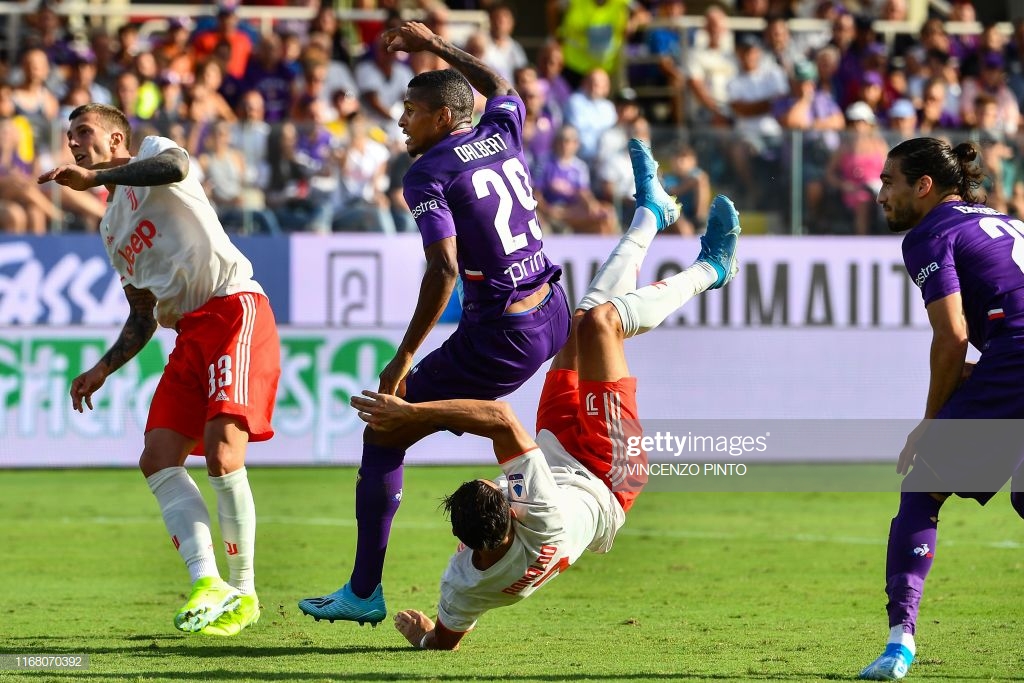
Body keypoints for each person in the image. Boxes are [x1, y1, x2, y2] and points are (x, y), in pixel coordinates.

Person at [349, 139, 741, 650]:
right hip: (609, 474)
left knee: (580, 323)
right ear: (513, 509)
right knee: (602, 324)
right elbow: (498, 416)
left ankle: (650, 213)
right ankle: (713, 269)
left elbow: (447, 638)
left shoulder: (462, 584)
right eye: (499, 487)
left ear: (464, 544)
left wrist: (425, 636)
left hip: (558, 448)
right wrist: (411, 410)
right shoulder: (538, 510)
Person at [297, 20, 585, 626]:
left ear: (444, 118)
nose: (402, 120)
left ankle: (364, 591)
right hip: (552, 309)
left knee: (384, 427)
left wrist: (402, 357)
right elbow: (504, 85)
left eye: (412, 110)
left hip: (501, 334)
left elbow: (444, 269)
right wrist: (439, 47)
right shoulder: (501, 130)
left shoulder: (428, 174)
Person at [37, 103, 281, 637]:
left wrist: (98, 175)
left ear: (117, 136)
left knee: (221, 454)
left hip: (233, 307)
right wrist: (103, 368)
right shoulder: (111, 228)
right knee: (157, 458)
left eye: (85, 132)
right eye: (69, 136)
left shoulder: (153, 153)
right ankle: (209, 583)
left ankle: (244, 592)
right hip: (188, 334)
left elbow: (174, 170)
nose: (75, 142)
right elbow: (143, 313)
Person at [859, 137, 1024, 680]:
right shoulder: (999, 220)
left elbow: (951, 337)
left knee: (921, 485)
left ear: (924, 186)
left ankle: (898, 644)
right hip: (1011, 358)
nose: (880, 192)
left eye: (889, 181)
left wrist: (928, 428)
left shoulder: (931, 233)